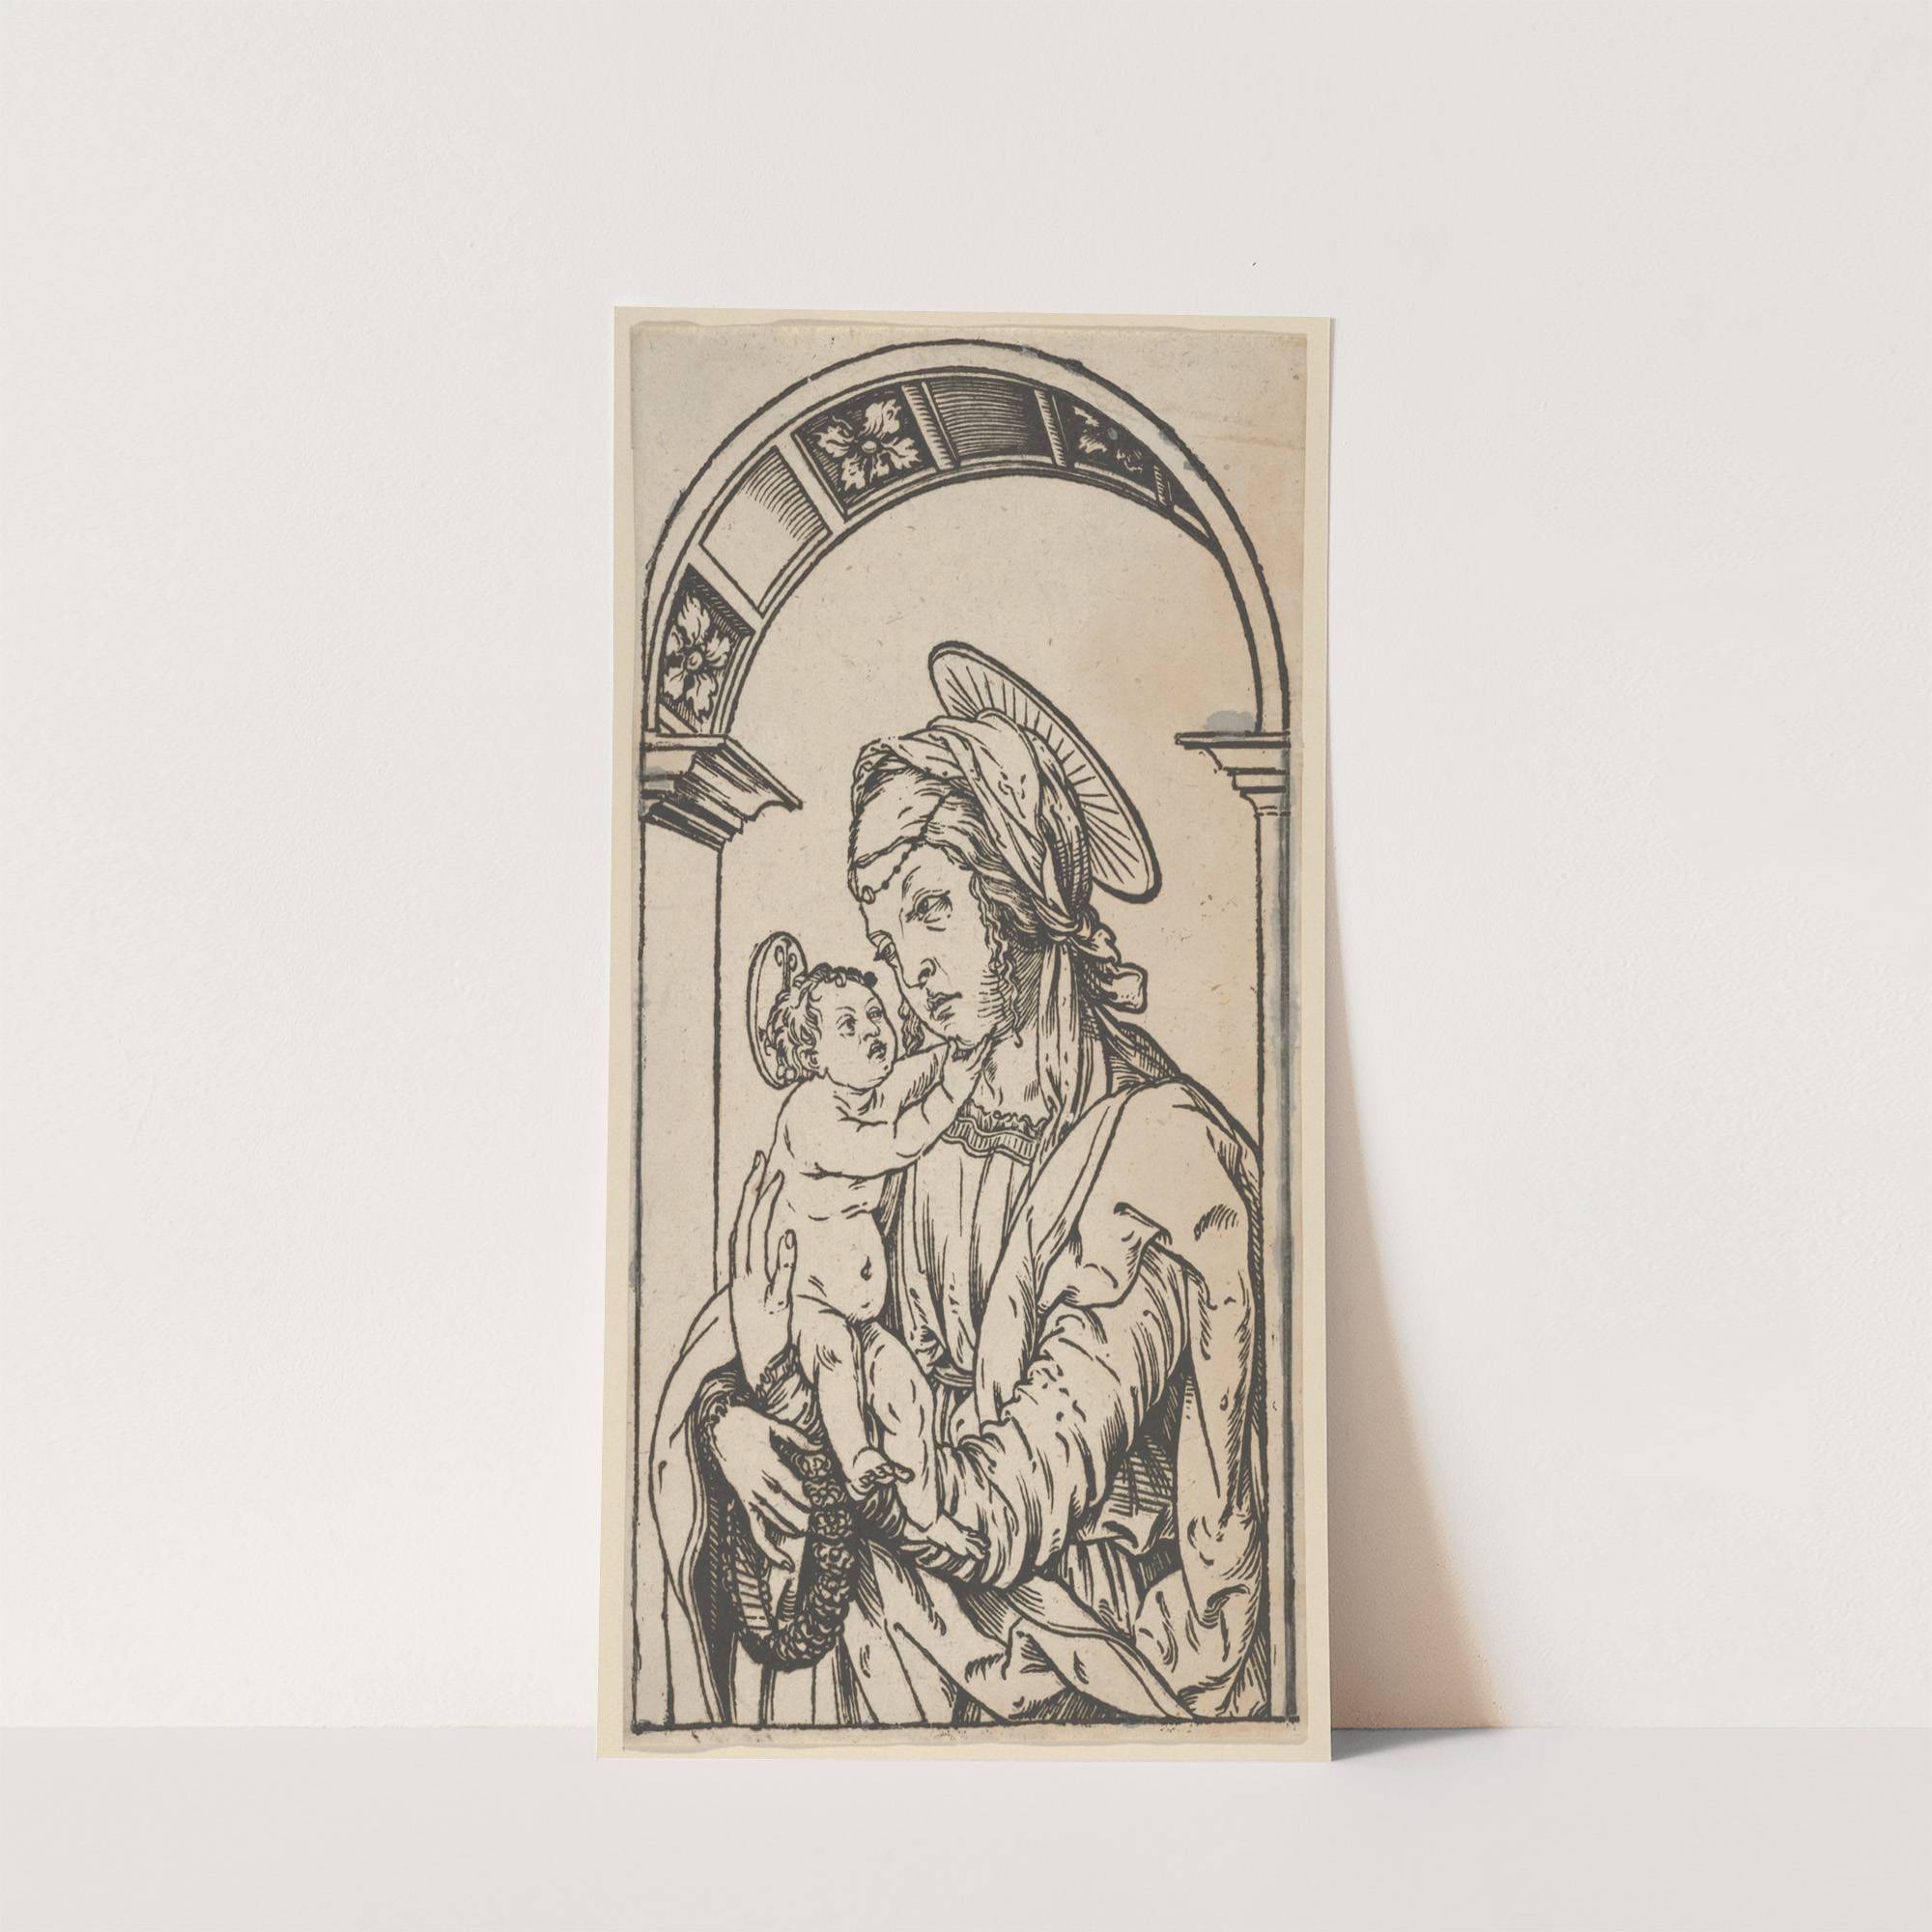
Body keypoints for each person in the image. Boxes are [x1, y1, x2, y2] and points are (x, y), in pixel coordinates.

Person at [650, 646, 1269, 1726]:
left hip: (1075, 1650)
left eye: (932, 909)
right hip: (899, 1613)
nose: (907, 967)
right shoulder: (904, 1113)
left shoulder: (1158, 1159)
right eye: (885, 938)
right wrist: (727, 1425)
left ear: (1022, 896)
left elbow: (1010, 1499)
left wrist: (848, 1463)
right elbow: (780, 1306)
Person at [751, 952, 988, 1562]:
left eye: (875, 1015)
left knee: (908, 1393)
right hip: (811, 1307)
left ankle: (928, 1517)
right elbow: (894, 1144)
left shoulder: (865, 1089)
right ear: (815, 1056)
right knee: (835, 1358)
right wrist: (953, 1090)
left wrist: (957, 1049)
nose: (872, 1030)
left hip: (864, 1316)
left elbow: (913, 1075)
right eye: (848, 1025)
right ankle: (857, 1457)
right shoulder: (809, 1115)